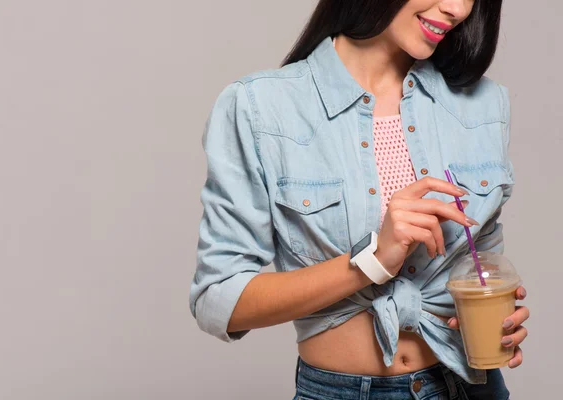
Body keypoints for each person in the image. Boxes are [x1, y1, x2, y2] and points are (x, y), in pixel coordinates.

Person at [189, 0, 530, 398]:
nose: (456, 8)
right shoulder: (261, 108)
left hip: (470, 386)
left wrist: (501, 317)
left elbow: (483, 263)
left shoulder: (484, 104)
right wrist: (370, 261)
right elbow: (218, 301)